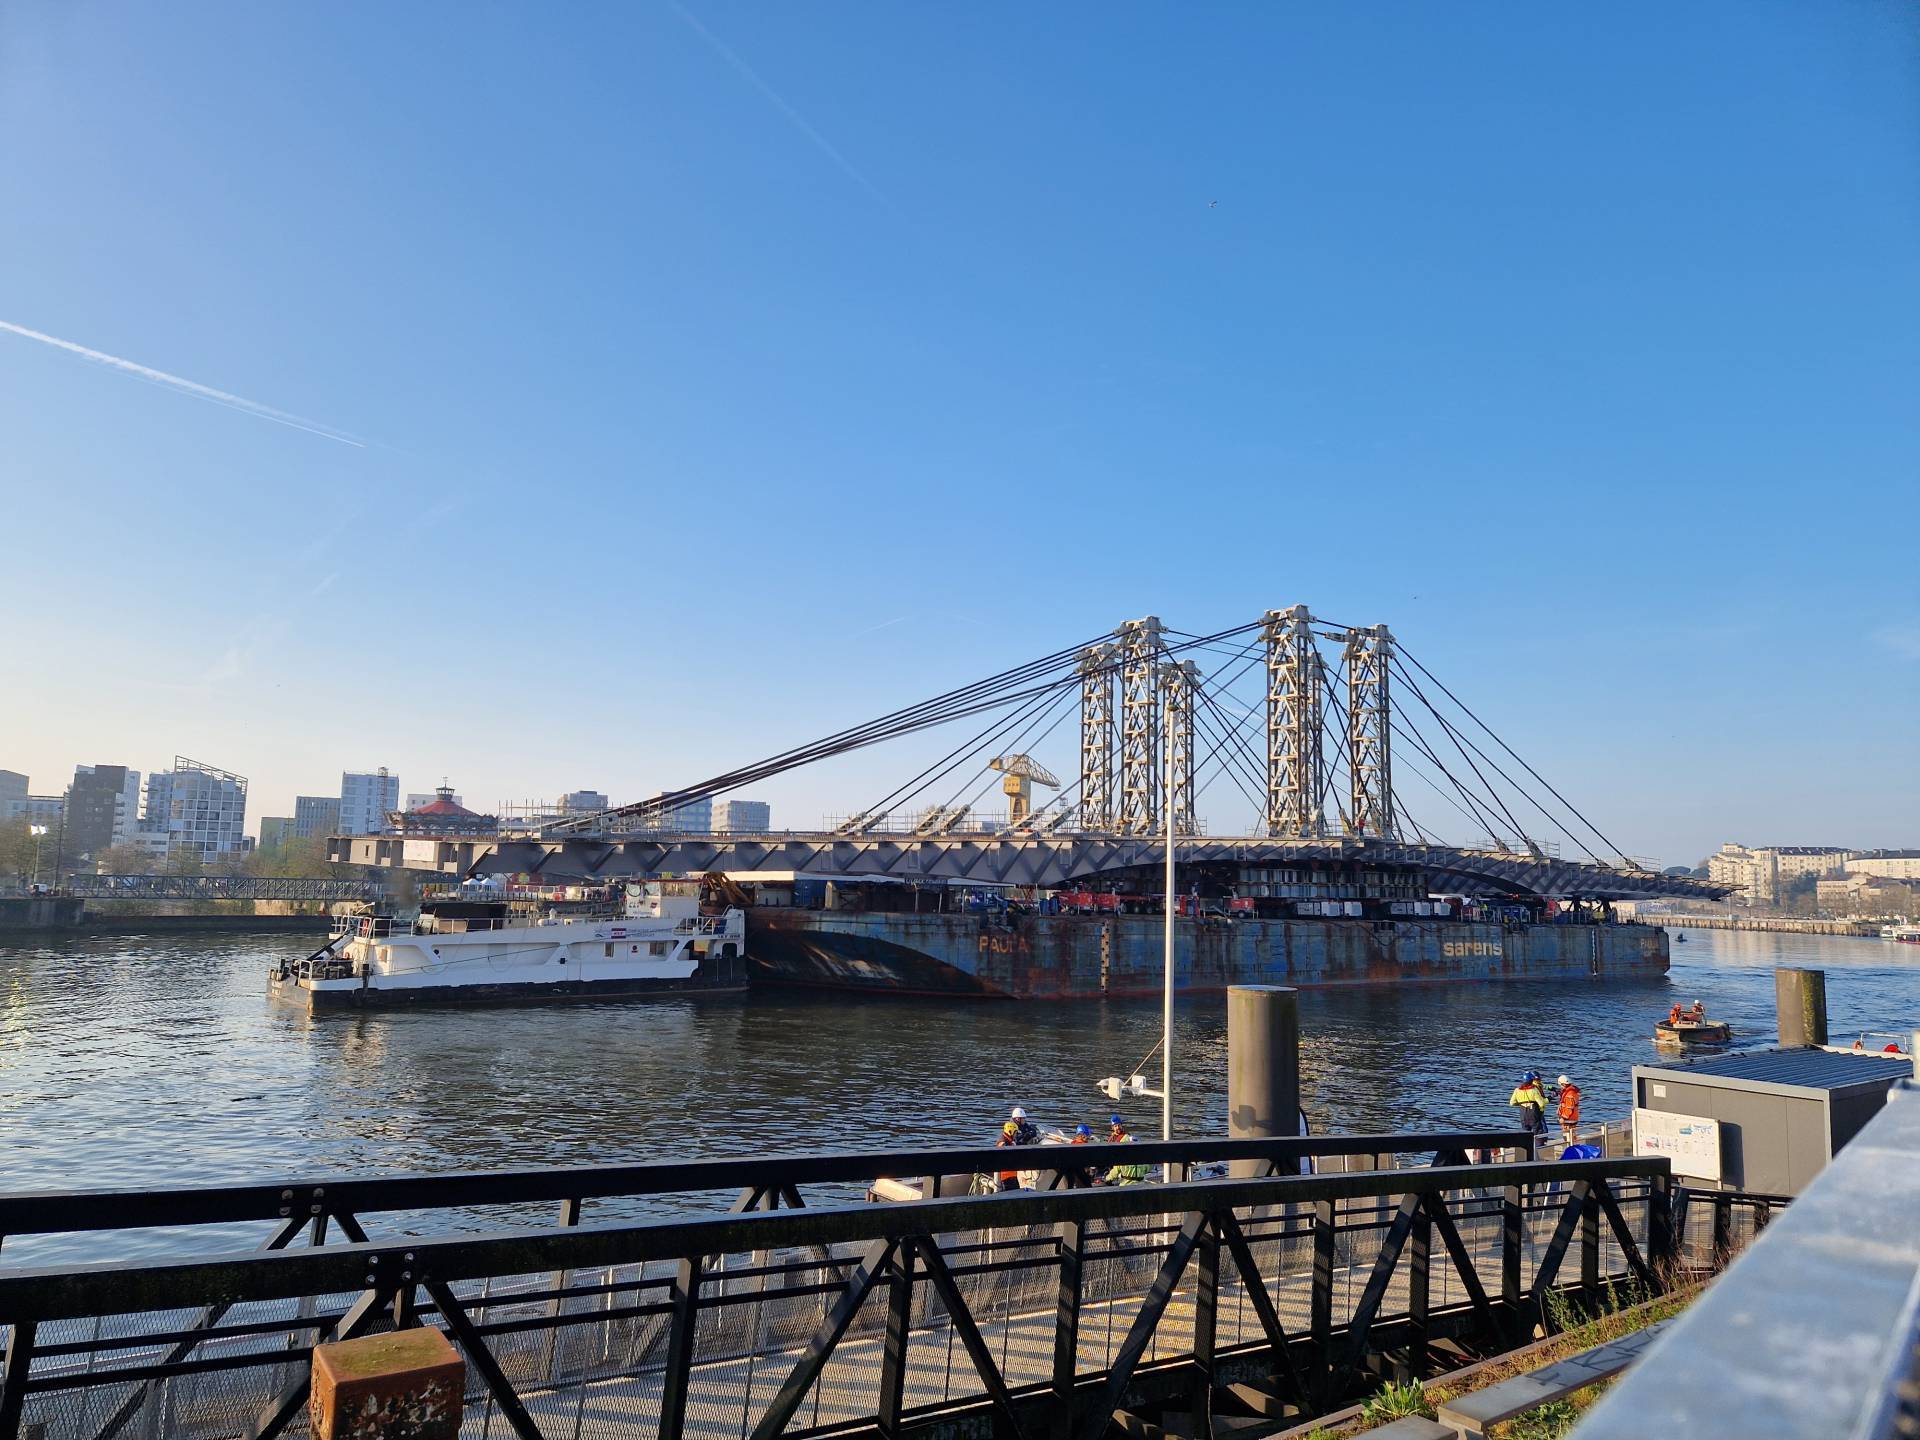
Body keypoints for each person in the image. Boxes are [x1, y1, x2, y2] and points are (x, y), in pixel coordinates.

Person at [1509, 1071, 1547, 1143]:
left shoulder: (1517, 1090)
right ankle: (1538, 1150)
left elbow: (1511, 1103)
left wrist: (1521, 1103)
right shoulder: (1534, 1090)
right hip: (1533, 1113)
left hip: (1523, 1113)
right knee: (1537, 1133)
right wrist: (1549, 1098)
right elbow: (1541, 1104)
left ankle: (1526, 1150)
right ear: (1531, 1080)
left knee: (1525, 1133)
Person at [994, 1121, 1025, 1191]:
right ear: (1010, 1131)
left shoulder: (1009, 1141)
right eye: (1015, 1133)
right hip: (1006, 1177)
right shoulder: (1003, 1143)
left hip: (1011, 1175)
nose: (1016, 1135)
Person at [1555, 1074, 1582, 1146]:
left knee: (1568, 1137)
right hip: (1572, 1117)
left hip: (1569, 1119)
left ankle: (1572, 1149)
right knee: (1572, 1136)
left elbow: (1569, 1108)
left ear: (1563, 1084)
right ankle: (1573, 1148)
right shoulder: (1572, 1091)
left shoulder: (1569, 1094)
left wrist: (1563, 1117)